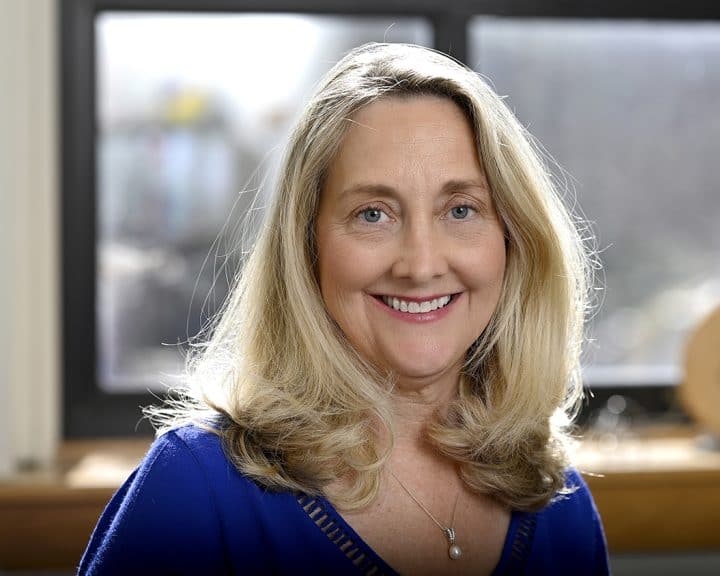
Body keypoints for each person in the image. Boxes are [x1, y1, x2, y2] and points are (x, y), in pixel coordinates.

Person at [79, 42, 607, 575]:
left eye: (462, 209)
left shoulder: (560, 503)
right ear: (307, 248)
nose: (421, 265)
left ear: (514, 240)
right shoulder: (194, 491)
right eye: (373, 214)